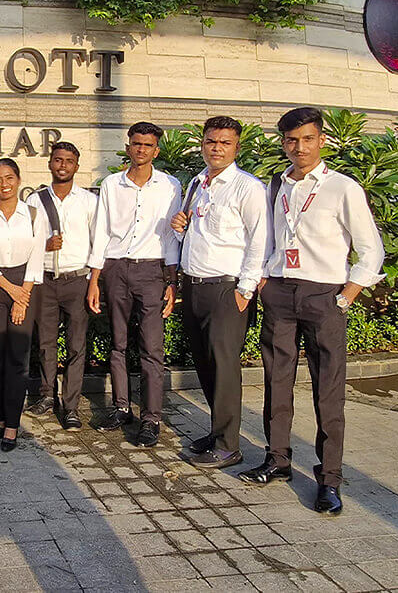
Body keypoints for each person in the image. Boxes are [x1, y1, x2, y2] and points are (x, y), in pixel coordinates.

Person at [239, 107, 385, 515]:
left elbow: (371, 249)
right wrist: (265, 278)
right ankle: (277, 459)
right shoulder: (277, 185)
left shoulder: (342, 188)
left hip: (324, 296)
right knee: (276, 381)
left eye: (307, 139)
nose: (299, 147)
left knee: (328, 390)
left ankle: (330, 480)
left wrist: (348, 294)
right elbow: (268, 238)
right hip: (280, 292)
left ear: (321, 140)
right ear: (283, 143)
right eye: (291, 140)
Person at [171, 117, 267, 469]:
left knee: (225, 369)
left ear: (236, 147)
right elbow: (194, 235)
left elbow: (260, 240)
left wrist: (245, 290)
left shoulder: (248, 187)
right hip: (194, 286)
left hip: (227, 289)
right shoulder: (197, 183)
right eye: (211, 141)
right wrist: (179, 228)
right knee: (206, 365)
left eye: (225, 142)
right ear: (202, 144)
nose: (217, 148)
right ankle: (217, 432)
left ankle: (229, 446)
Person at [88, 122, 181, 447]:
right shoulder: (112, 184)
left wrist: (172, 281)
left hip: (152, 270)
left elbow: (171, 236)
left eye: (148, 145)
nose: (141, 149)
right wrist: (95, 279)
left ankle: (151, 418)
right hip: (116, 269)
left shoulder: (170, 186)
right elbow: (101, 232)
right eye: (136, 143)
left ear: (156, 150)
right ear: (128, 147)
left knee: (152, 348)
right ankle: (121, 407)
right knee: (118, 343)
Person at [27, 142, 98, 431]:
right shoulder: (35, 200)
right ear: (50, 163)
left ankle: (70, 407)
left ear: (76, 166)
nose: (63, 165)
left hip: (77, 280)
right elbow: (25, 241)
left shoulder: (89, 201)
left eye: (69, 161)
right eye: (58, 160)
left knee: (76, 345)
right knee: (46, 343)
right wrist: (44, 245)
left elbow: (98, 243)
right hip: (45, 280)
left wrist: (94, 282)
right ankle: (47, 395)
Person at [0, 158, 48, 452]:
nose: (4, 184)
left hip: (25, 284)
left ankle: (12, 422)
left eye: (9, 178)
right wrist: (10, 290)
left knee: (18, 358)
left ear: (18, 180)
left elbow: (37, 257)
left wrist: (23, 296)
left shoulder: (33, 215)